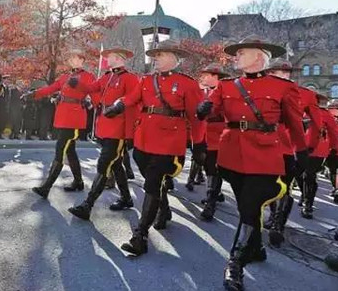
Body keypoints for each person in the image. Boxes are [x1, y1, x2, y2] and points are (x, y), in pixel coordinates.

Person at [197, 35, 309, 291]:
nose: (236, 57)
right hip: (232, 153)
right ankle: (256, 248)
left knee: (249, 205)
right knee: (247, 208)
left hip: (265, 154)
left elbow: (293, 123)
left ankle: (235, 263)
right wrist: (203, 109)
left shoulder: (283, 87)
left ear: (259, 56)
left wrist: (299, 153)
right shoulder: (226, 86)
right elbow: (210, 108)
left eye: (242, 53)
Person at [103, 39, 206, 255]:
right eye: (155, 55)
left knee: (152, 182)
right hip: (143, 141)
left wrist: (199, 144)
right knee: (151, 179)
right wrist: (118, 105)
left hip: (169, 142)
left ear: (173, 58)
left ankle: (140, 235)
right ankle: (164, 208)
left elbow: (196, 118)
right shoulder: (146, 81)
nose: (155, 59)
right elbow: (131, 98)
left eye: (160, 55)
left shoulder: (187, 83)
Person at [67, 48, 139, 220]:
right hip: (106, 126)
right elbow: (91, 87)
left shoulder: (129, 78)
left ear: (118, 58)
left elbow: (134, 105)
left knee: (104, 164)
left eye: (109, 57)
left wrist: (130, 134)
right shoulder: (107, 77)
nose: (106, 59)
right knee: (116, 164)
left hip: (118, 129)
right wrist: (77, 83)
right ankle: (127, 198)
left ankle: (87, 205)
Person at [264, 59, 322, 246]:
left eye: (284, 72)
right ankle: (274, 217)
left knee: (285, 185)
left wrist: (307, 147)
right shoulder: (259, 90)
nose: (282, 75)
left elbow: (316, 123)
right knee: (271, 184)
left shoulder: (305, 94)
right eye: (276, 71)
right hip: (263, 144)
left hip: (288, 146)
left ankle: (278, 224)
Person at [29, 48, 96, 198]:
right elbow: (51, 88)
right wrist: (34, 94)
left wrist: (78, 85)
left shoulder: (88, 76)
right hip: (63, 117)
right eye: (70, 58)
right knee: (70, 151)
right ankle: (78, 182)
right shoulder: (64, 76)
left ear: (82, 60)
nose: (71, 60)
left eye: (75, 57)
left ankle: (46, 187)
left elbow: (92, 90)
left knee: (60, 150)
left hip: (74, 119)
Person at [197, 63, 230, 221]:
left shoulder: (227, 91)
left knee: (214, 169)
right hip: (204, 134)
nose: (202, 77)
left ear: (216, 76)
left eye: (206, 75)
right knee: (207, 166)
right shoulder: (203, 91)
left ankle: (211, 203)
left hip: (219, 136)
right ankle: (216, 193)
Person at [301, 92, 338, 219]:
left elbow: (333, 132)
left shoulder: (325, 115)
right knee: (302, 174)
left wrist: (334, 147)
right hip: (300, 148)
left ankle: (308, 204)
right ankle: (304, 195)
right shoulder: (302, 112)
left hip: (318, 149)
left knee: (309, 175)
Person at [326, 99, 338, 203]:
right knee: (332, 169)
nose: (332, 109)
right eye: (331, 107)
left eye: (335, 107)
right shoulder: (327, 118)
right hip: (329, 148)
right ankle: (335, 187)